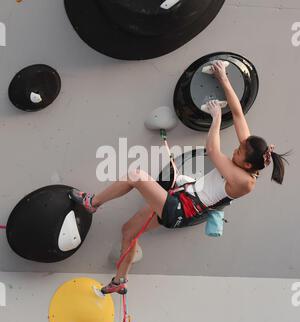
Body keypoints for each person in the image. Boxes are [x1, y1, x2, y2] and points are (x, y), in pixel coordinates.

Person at [69, 61, 290, 295]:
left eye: (238, 151)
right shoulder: (248, 160)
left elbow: (213, 151)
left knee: (136, 176)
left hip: (180, 210)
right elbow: (237, 115)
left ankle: (91, 203)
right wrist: (222, 77)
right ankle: (120, 281)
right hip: (179, 197)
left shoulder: (244, 182)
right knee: (128, 232)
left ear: (247, 164)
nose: (235, 150)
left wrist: (215, 117)